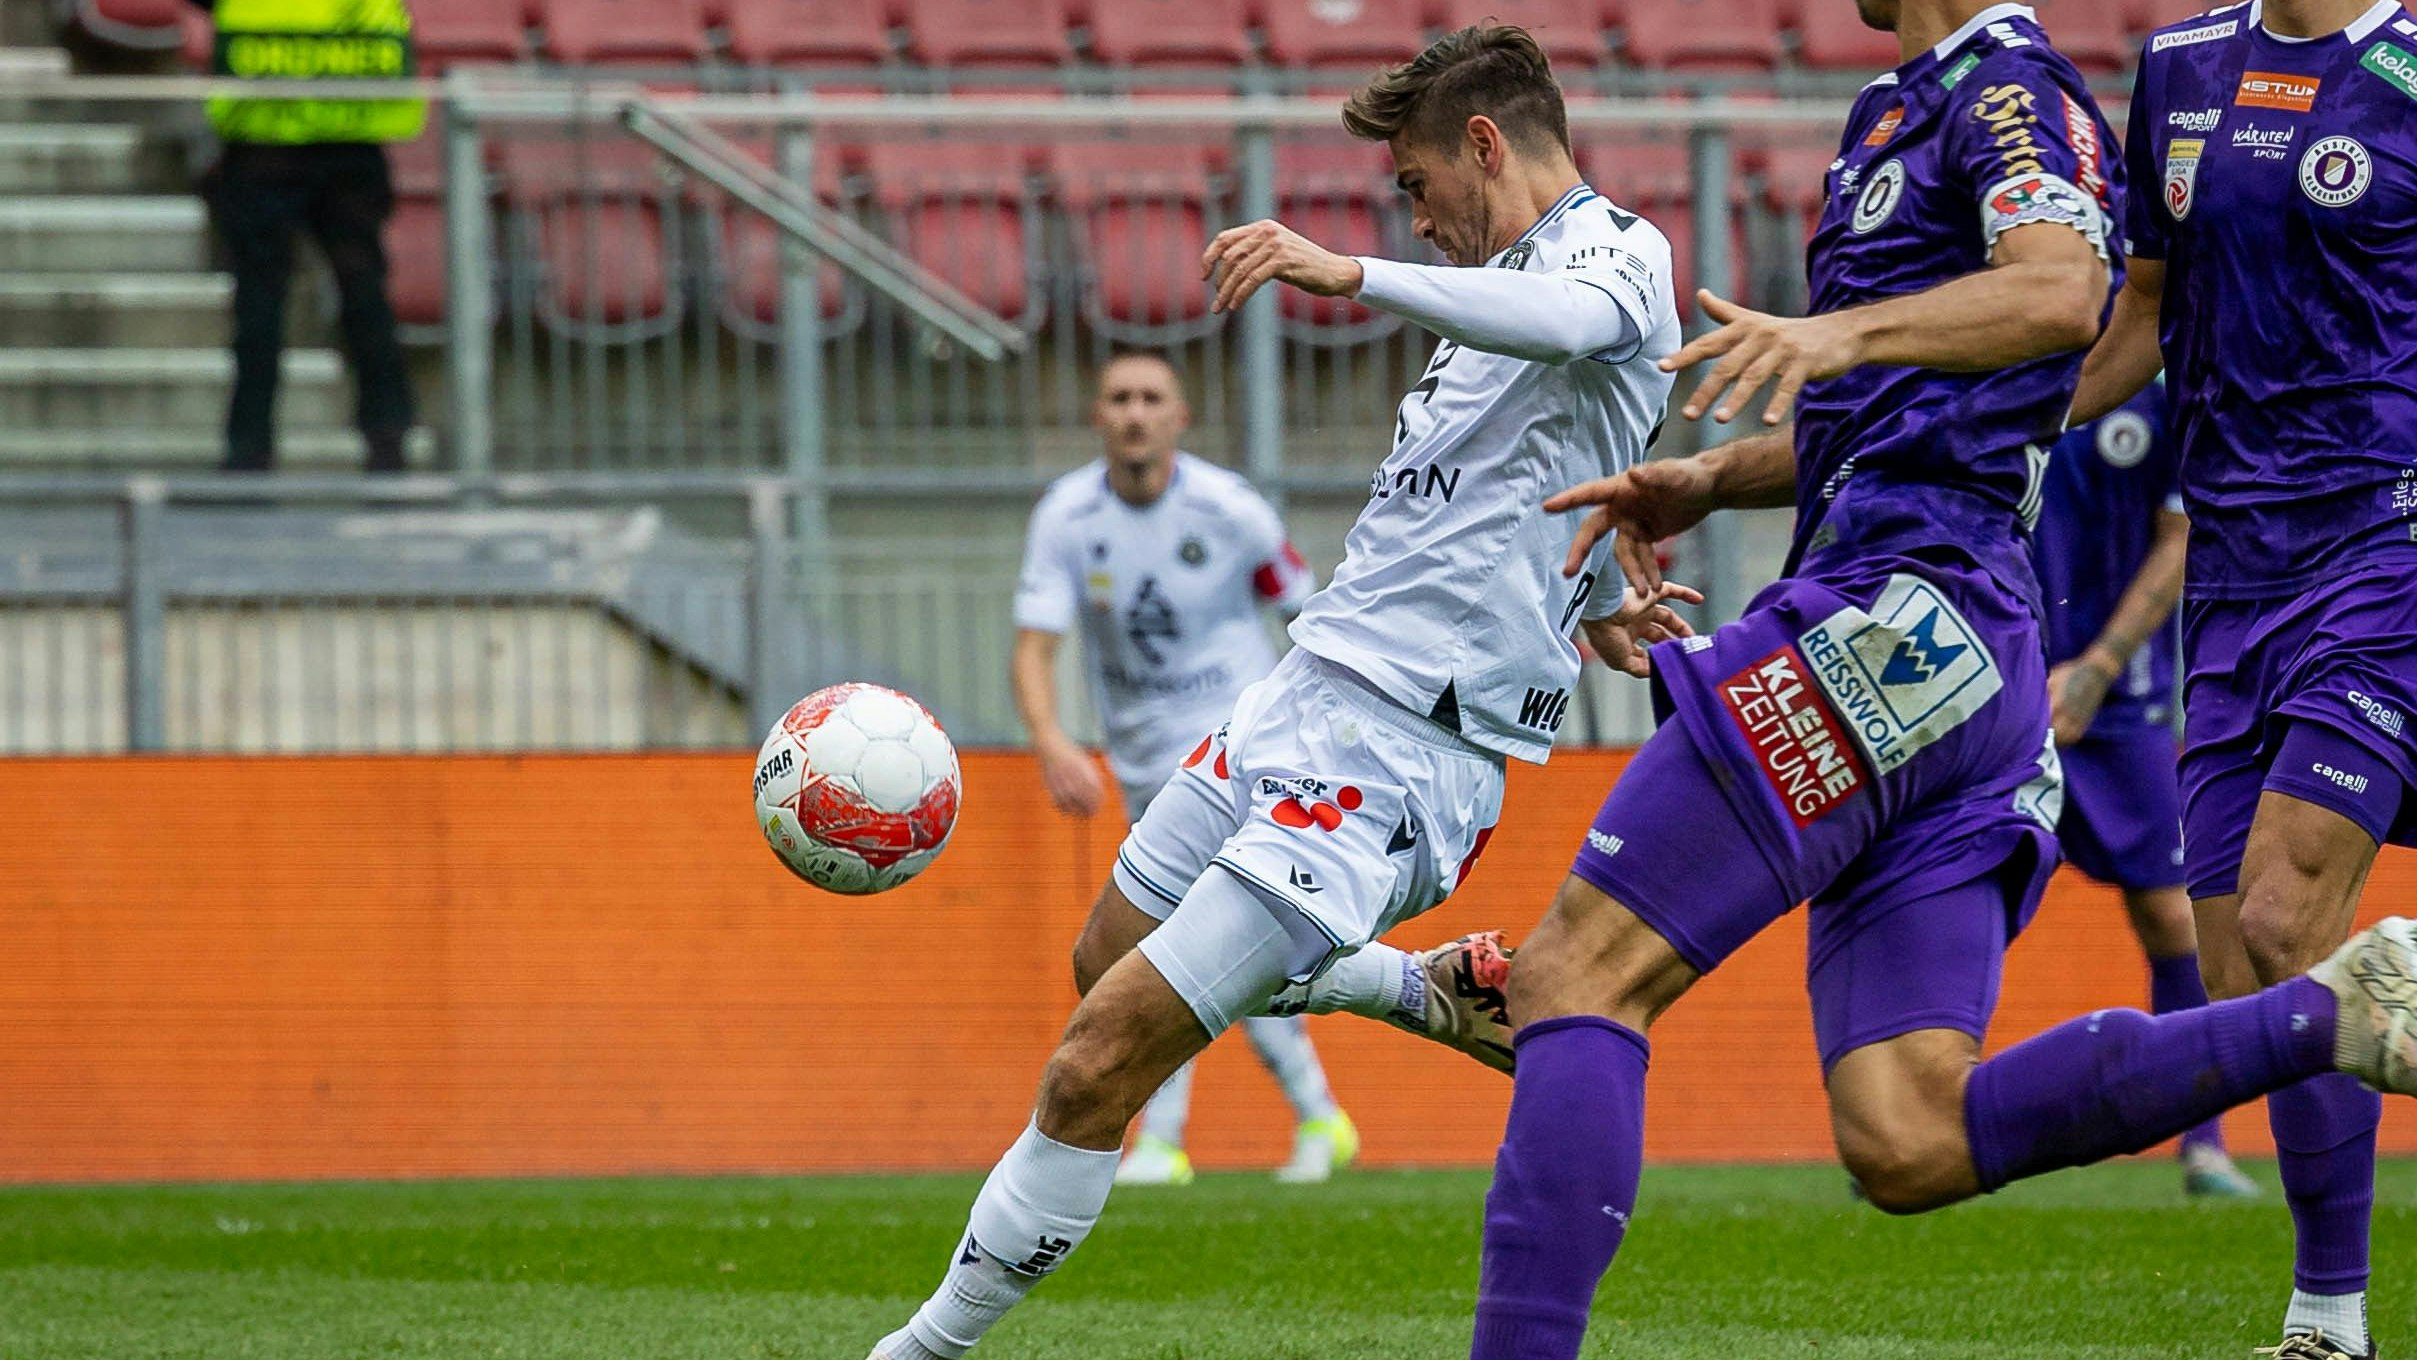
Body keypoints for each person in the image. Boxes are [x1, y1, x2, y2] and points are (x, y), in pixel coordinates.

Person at [1406, 5, 2417, 1359]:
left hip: (1909, 612)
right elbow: (2018, 368)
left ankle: (2325, 1266)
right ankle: (2327, 1022)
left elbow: (2062, 292)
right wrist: (1711, 477)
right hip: (1966, 645)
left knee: (1572, 977)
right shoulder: (1928, 100)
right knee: (1907, 1135)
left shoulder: (2007, 91)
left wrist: (1841, 338)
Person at [867, 25, 1693, 1359]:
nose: (1415, 222)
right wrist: (1597, 602)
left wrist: (1347, 272)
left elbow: (1585, 329)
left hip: (1399, 753)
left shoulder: (1616, 255)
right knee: (1101, 964)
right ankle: (1407, 987)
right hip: (1297, 693)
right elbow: (1524, 479)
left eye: (1419, 185)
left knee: (1092, 1066)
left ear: (1487, 142)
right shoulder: (1492, 303)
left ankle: (919, 1350)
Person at [2066, 0, 2417, 1352]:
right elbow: (2142, 312)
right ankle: (2333, 1316)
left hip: (2381, 545)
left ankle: (2325, 1321)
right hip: (2228, 571)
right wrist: (1994, 430)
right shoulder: (2181, 66)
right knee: (2253, 993)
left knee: (2279, 919)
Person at [1011, 350, 1358, 1187]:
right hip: (1138, 763)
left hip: (1234, 752)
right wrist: (1054, 741)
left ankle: (1165, 1139)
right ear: (1098, 417)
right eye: (1118, 398)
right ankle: (1317, 1115)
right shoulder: (1067, 517)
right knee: (1207, 946)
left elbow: (1307, 612)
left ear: (1179, 418)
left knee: (1178, 942)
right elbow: (1035, 645)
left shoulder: (1228, 509)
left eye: (1150, 399)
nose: (1134, 412)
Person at [2036, 382, 2259, 1199]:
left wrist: (2098, 665)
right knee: (1957, 882)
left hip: (2119, 694)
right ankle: (1909, 1114)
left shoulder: (2159, 378)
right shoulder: (2001, 342)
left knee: (2172, 913)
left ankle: (2202, 1143)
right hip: (1993, 673)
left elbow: (2180, 536)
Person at [195, 0, 422, 474]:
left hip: (266, 150)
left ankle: (249, 449)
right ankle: (387, 436)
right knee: (362, 294)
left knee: (261, 304)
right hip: (344, 146)